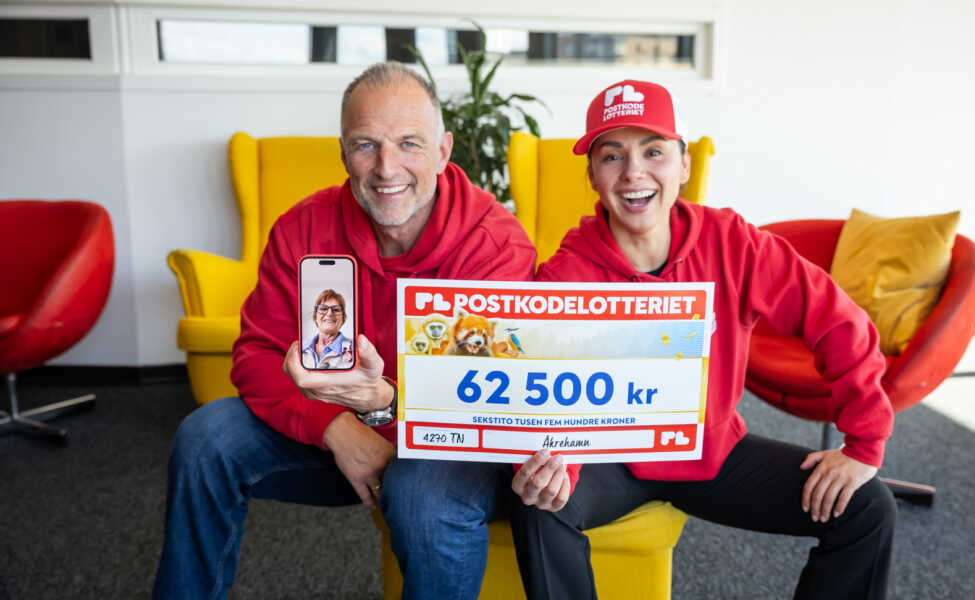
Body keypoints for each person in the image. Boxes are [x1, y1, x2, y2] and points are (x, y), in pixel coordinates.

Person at [152, 62, 543, 599]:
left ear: (443, 151)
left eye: (409, 143)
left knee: (423, 493)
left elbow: (484, 401)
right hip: (335, 435)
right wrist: (337, 429)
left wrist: (383, 413)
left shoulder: (494, 244)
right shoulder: (303, 228)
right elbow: (256, 354)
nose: (386, 167)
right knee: (206, 440)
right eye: (365, 145)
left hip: (446, 450)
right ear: (342, 153)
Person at [508, 80, 897, 599]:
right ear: (593, 176)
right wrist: (557, 467)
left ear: (684, 165)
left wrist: (864, 445)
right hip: (609, 461)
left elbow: (838, 322)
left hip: (710, 453)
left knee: (868, 506)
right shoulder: (565, 274)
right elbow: (544, 391)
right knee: (539, 503)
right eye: (612, 156)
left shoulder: (734, 243)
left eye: (654, 152)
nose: (633, 172)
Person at [301, 289, 354, 370]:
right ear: (315, 316)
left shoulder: (355, 349)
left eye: (336, 309)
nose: (329, 313)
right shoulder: (301, 348)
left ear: (343, 319)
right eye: (323, 308)